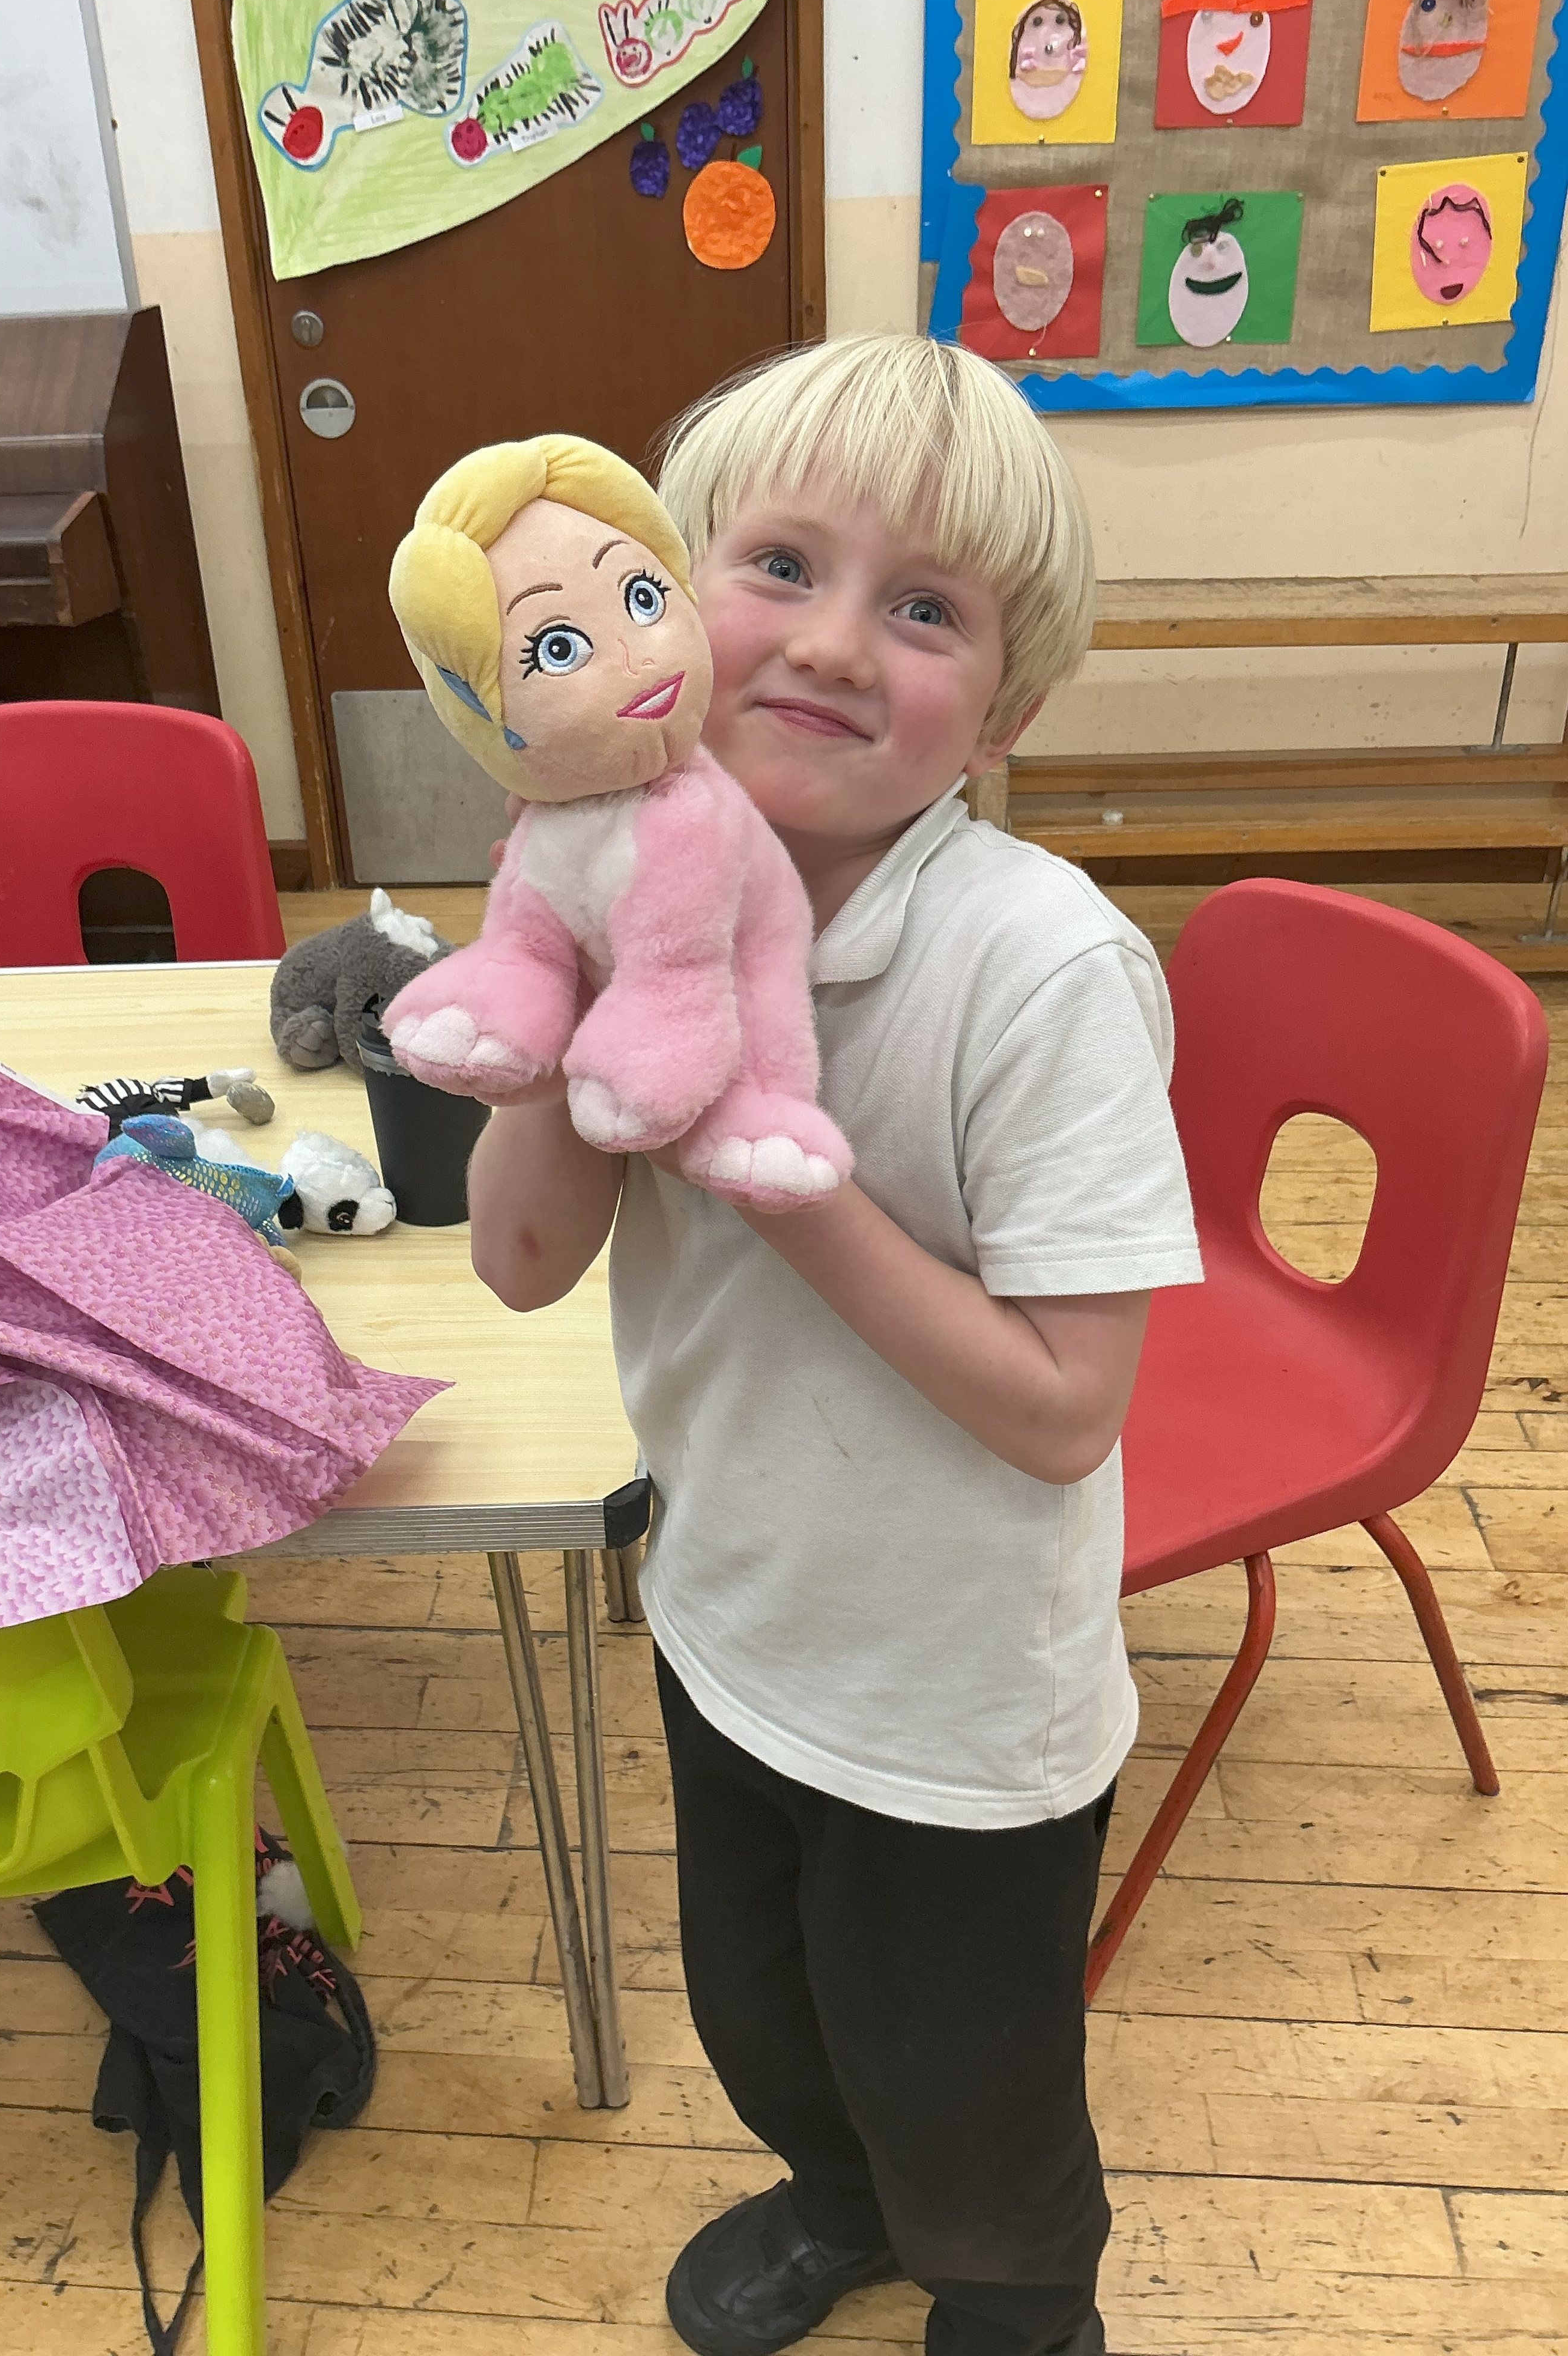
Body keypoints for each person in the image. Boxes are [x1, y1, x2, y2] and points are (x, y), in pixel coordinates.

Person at [466, 334, 1203, 2356]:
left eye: (927, 609)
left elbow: (1066, 1413)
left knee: (979, 2112)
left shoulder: (1038, 967)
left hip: (956, 1711)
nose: (829, 642)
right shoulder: (627, 884)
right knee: (765, 2021)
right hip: (728, 1617)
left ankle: (1020, 2308)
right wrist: (559, 957)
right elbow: (521, 1261)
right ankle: (839, 2200)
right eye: (777, 565)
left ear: (1007, 711)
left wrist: (777, 1172)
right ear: (663, 595)